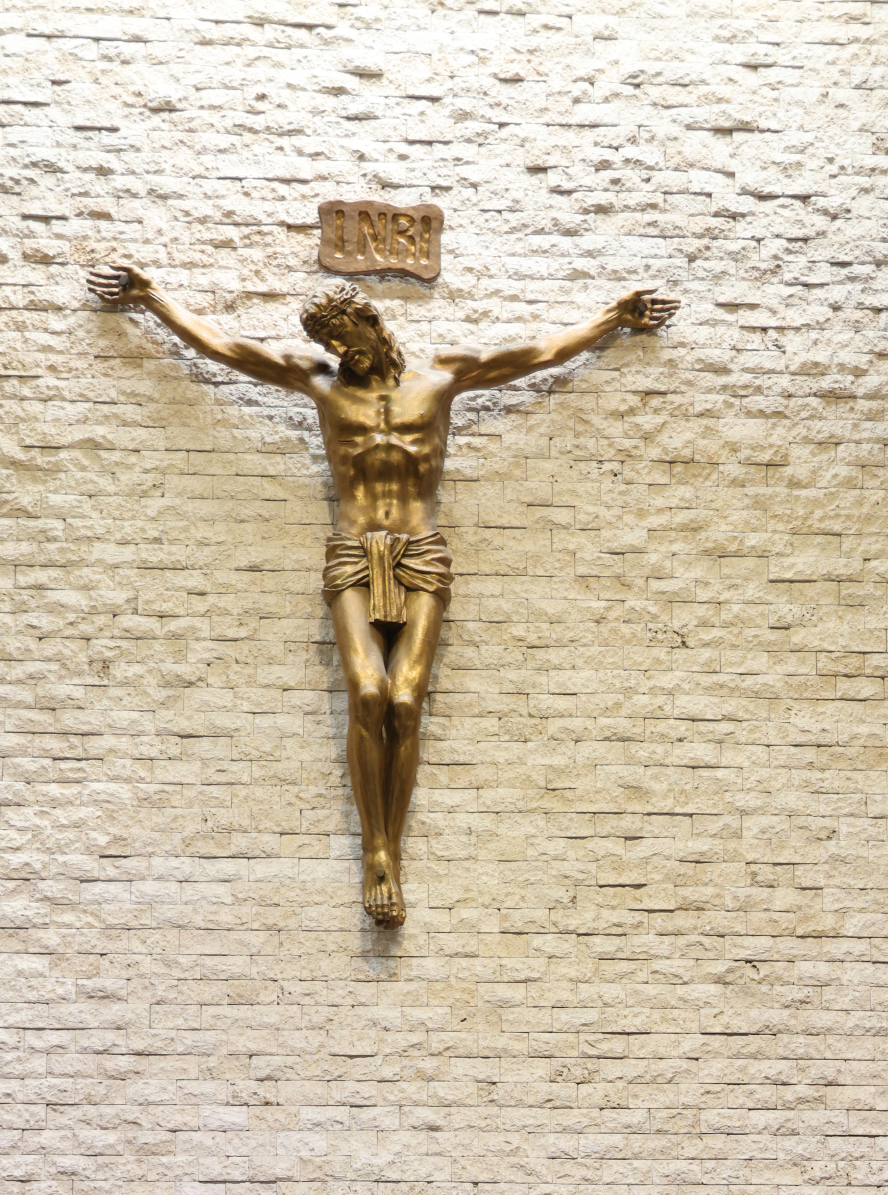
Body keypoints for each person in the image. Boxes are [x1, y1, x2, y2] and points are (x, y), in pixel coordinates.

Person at [85, 264, 680, 927]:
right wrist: (154, 298)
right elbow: (225, 349)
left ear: (369, 321)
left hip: (420, 551)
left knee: (405, 700)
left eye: (343, 336)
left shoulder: (442, 378)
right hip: (352, 551)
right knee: (367, 692)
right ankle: (377, 852)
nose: (340, 351)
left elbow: (538, 355)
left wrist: (612, 318)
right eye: (328, 343)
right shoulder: (319, 382)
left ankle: (393, 844)